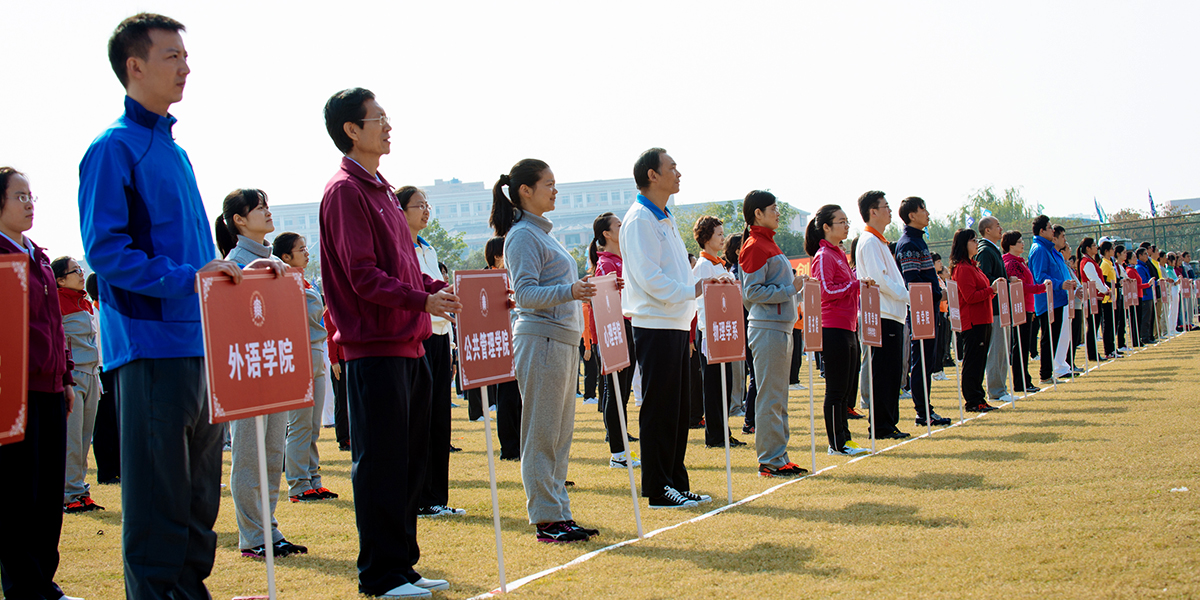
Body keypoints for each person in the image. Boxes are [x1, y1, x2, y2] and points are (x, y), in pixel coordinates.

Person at [77, 14, 272, 599]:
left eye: (185, 56)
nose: (185, 67)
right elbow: (107, 253)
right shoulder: (113, 149)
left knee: (196, 500)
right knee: (158, 503)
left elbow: (198, 260)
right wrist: (190, 279)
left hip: (200, 344)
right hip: (148, 347)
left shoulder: (176, 151)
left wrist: (238, 274)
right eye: (171, 57)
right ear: (134, 67)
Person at [320, 87, 458, 598]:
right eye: (377, 118)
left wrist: (433, 290)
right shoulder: (344, 191)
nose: (388, 125)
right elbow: (362, 276)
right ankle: (379, 574)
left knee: (408, 461)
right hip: (373, 347)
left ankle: (403, 567)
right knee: (380, 464)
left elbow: (400, 270)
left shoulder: (381, 189)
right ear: (351, 130)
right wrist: (421, 302)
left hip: (410, 345)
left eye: (387, 116)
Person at [490, 159, 600, 542]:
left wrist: (581, 286)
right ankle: (546, 518)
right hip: (541, 339)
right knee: (541, 433)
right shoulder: (521, 235)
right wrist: (571, 291)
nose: (555, 191)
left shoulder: (544, 234)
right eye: (548, 184)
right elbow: (525, 294)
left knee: (559, 434)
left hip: (563, 340)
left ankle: (560, 513)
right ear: (526, 190)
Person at [0, 168, 84, 600]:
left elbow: (54, 324)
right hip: (12, 392)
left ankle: (43, 583)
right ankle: (22, 586)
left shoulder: (39, 255)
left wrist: (66, 376)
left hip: (52, 388)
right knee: (18, 493)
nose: (29, 203)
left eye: (31, 196)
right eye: (19, 196)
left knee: (49, 493)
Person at [216, 189, 308, 559]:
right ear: (239, 220)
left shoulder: (272, 259)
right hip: (247, 371)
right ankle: (253, 536)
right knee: (250, 455)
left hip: (275, 367)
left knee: (272, 453)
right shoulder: (235, 261)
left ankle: (269, 528)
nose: (268, 213)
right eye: (259, 208)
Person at [621, 148, 712, 508]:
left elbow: (674, 273)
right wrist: (690, 291)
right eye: (671, 167)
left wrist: (693, 292)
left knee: (676, 408)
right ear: (652, 175)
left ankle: (675, 479)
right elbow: (649, 278)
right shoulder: (640, 219)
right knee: (659, 408)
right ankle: (658, 488)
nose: (678, 173)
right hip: (655, 322)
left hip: (675, 321)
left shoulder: (664, 217)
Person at [396, 186, 465, 519]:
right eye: (418, 205)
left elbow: (445, 301)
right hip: (417, 338)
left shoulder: (428, 247)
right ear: (400, 211)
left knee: (441, 417)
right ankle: (420, 496)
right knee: (419, 420)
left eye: (427, 205)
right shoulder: (398, 248)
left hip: (439, 338)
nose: (425, 211)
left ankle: (437, 495)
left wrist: (451, 345)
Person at [738, 192, 806, 475]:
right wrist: (791, 288)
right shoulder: (755, 246)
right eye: (774, 209)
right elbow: (751, 292)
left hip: (779, 327)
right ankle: (769, 459)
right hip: (767, 327)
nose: (778, 213)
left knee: (778, 395)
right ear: (758, 213)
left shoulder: (768, 242)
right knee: (770, 396)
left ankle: (779, 455)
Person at [271, 232, 339, 504]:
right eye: (300, 249)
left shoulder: (307, 282)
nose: (306, 252)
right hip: (298, 353)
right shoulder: (282, 282)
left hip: (316, 351)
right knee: (299, 424)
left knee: (312, 425)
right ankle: (298, 484)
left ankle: (314, 480)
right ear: (285, 257)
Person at [807, 205, 867, 456]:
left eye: (846, 221)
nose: (846, 225)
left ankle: (845, 439)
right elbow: (824, 292)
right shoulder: (824, 256)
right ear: (826, 227)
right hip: (833, 328)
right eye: (841, 221)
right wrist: (855, 285)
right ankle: (836, 443)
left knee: (846, 390)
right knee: (836, 389)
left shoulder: (839, 253)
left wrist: (857, 285)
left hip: (849, 326)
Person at [854, 191, 911, 439]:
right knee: (884, 372)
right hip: (883, 313)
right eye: (885, 206)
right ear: (872, 211)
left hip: (892, 314)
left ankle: (889, 423)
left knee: (891, 372)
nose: (889, 211)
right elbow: (880, 280)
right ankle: (880, 426)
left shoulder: (879, 241)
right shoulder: (868, 241)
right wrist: (908, 295)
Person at [52, 256, 104, 514]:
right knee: (71, 439)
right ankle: (69, 493)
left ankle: (80, 491)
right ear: (60, 279)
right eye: (75, 271)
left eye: (80, 270)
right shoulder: (56, 302)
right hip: (73, 376)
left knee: (84, 439)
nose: (81, 274)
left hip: (93, 374)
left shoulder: (84, 301)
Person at [895, 197, 951, 427]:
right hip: (921, 309)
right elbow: (913, 282)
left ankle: (927, 408)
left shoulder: (919, 242)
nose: (927, 213)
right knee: (922, 361)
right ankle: (922, 411)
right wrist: (937, 294)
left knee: (928, 359)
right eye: (923, 209)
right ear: (911, 216)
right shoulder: (908, 244)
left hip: (930, 307)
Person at [692, 214, 746, 450]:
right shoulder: (704, 265)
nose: (723, 239)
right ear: (706, 238)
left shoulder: (719, 264)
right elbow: (700, 303)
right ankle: (714, 436)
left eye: (723, 234)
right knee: (714, 387)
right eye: (719, 235)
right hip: (711, 332)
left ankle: (724, 431)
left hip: (725, 331)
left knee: (726, 384)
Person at [590, 213, 641, 466]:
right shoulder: (606, 264)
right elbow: (601, 303)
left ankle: (621, 447)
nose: (623, 227)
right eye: (619, 225)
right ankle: (618, 453)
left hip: (629, 326)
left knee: (623, 390)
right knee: (615, 391)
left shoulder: (625, 260)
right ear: (607, 234)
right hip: (615, 330)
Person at [478, 236, 523, 461]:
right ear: (497, 256)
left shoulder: (513, 277)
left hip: (519, 344)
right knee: (506, 399)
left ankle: (521, 446)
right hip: (502, 347)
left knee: (520, 398)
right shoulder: (488, 280)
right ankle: (510, 449)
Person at [950, 229, 998, 412]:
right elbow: (969, 297)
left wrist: (991, 292)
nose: (976, 243)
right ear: (964, 244)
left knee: (980, 361)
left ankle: (979, 397)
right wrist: (991, 290)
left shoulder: (973, 266)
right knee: (973, 362)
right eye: (973, 240)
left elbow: (983, 294)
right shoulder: (962, 268)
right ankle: (972, 399)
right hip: (973, 322)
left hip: (983, 319)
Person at [1028, 217, 1076, 385]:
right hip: (1048, 300)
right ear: (1042, 231)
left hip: (1058, 299)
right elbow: (1040, 277)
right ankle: (1045, 374)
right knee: (1048, 337)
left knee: (1054, 337)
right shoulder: (1039, 249)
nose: (1052, 231)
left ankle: (1053, 371)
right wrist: (1060, 284)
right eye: (1049, 228)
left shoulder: (1049, 249)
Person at [85, 273, 121, 485]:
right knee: (104, 423)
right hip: (100, 370)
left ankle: (119, 468)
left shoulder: (109, 309)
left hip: (114, 367)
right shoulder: (91, 311)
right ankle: (106, 472)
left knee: (117, 420)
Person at [975, 217, 1013, 403]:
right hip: (994, 307)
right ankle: (996, 390)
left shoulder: (993, 250)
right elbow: (984, 278)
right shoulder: (985, 251)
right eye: (997, 225)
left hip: (1002, 306)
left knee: (1003, 349)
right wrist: (999, 282)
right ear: (987, 230)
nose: (1001, 228)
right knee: (996, 349)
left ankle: (1001, 387)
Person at [1002, 230, 1044, 393]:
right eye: (1019, 241)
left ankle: (1025, 380)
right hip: (1019, 308)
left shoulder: (1019, 261)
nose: (1023, 243)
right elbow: (1019, 287)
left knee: (1023, 345)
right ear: (1011, 245)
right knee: (1020, 346)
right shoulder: (1012, 263)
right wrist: (1040, 288)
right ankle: (1021, 382)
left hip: (1026, 307)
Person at [1076, 237, 1110, 360]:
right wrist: (1105, 290)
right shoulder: (1086, 262)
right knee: (1092, 326)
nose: (1097, 247)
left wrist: (1106, 289)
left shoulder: (1091, 261)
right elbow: (1094, 280)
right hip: (1092, 298)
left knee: (1094, 326)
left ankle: (1093, 353)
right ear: (1088, 248)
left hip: (1096, 297)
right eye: (1094, 245)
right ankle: (1092, 354)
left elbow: (1099, 279)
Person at [325, 309, 350, 451]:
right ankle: (343, 439)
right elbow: (331, 336)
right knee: (341, 401)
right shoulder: (330, 311)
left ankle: (349, 436)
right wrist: (333, 360)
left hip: (350, 358)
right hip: (339, 361)